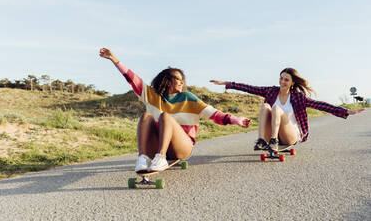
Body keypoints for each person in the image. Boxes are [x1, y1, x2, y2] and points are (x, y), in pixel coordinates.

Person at [99, 48, 251, 172]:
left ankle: (161, 158)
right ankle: (143, 158)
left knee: (165, 117)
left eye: (182, 79)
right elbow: (133, 79)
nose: (181, 82)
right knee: (146, 116)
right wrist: (115, 60)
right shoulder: (152, 95)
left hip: (182, 147)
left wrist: (236, 120)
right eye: (178, 78)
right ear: (167, 80)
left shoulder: (187, 97)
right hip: (157, 145)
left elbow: (213, 113)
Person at [210, 68, 364, 152]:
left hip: (290, 134)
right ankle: (262, 140)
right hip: (271, 132)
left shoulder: (298, 97)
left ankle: (274, 141)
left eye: (286, 79)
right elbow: (250, 88)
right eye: (281, 78)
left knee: (276, 109)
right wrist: (228, 84)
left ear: (291, 82)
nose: (282, 81)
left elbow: (321, 105)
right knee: (266, 106)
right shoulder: (271, 91)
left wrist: (345, 111)